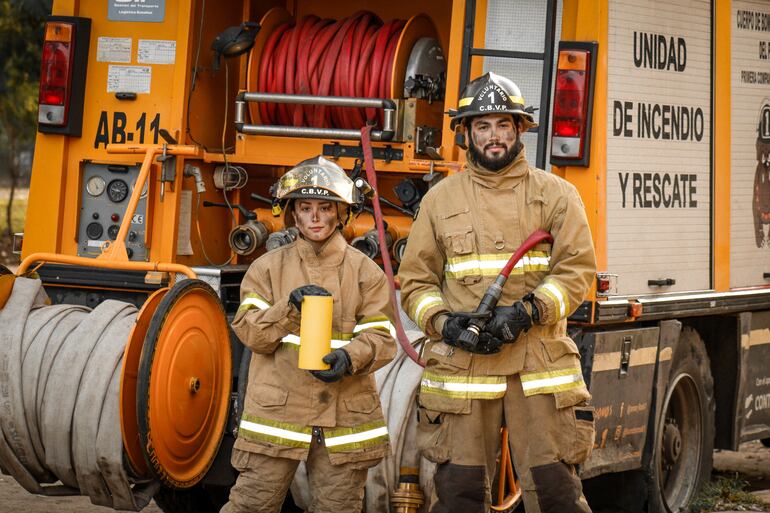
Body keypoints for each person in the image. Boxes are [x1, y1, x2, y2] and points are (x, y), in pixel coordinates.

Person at [398, 72, 597, 513]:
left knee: (557, 495)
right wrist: (444, 324)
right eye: (482, 126)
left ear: (519, 129)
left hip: (539, 369)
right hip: (464, 370)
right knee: (459, 497)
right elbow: (415, 282)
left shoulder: (557, 195)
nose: (494, 137)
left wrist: (528, 313)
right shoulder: (439, 200)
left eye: (503, 125)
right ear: (465, 133)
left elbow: (577, 272)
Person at [223, 156, 397, 513]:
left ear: (340, 213)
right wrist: (288, 310)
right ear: (292, 214)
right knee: (250, 507)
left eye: (324, 207)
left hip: (344, 422)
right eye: (305, 208)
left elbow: (383, 336)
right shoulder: (266, 269)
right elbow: (251, 333)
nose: (315, 217)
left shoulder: (366, 272)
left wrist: (349, 358)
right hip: (278, 418)